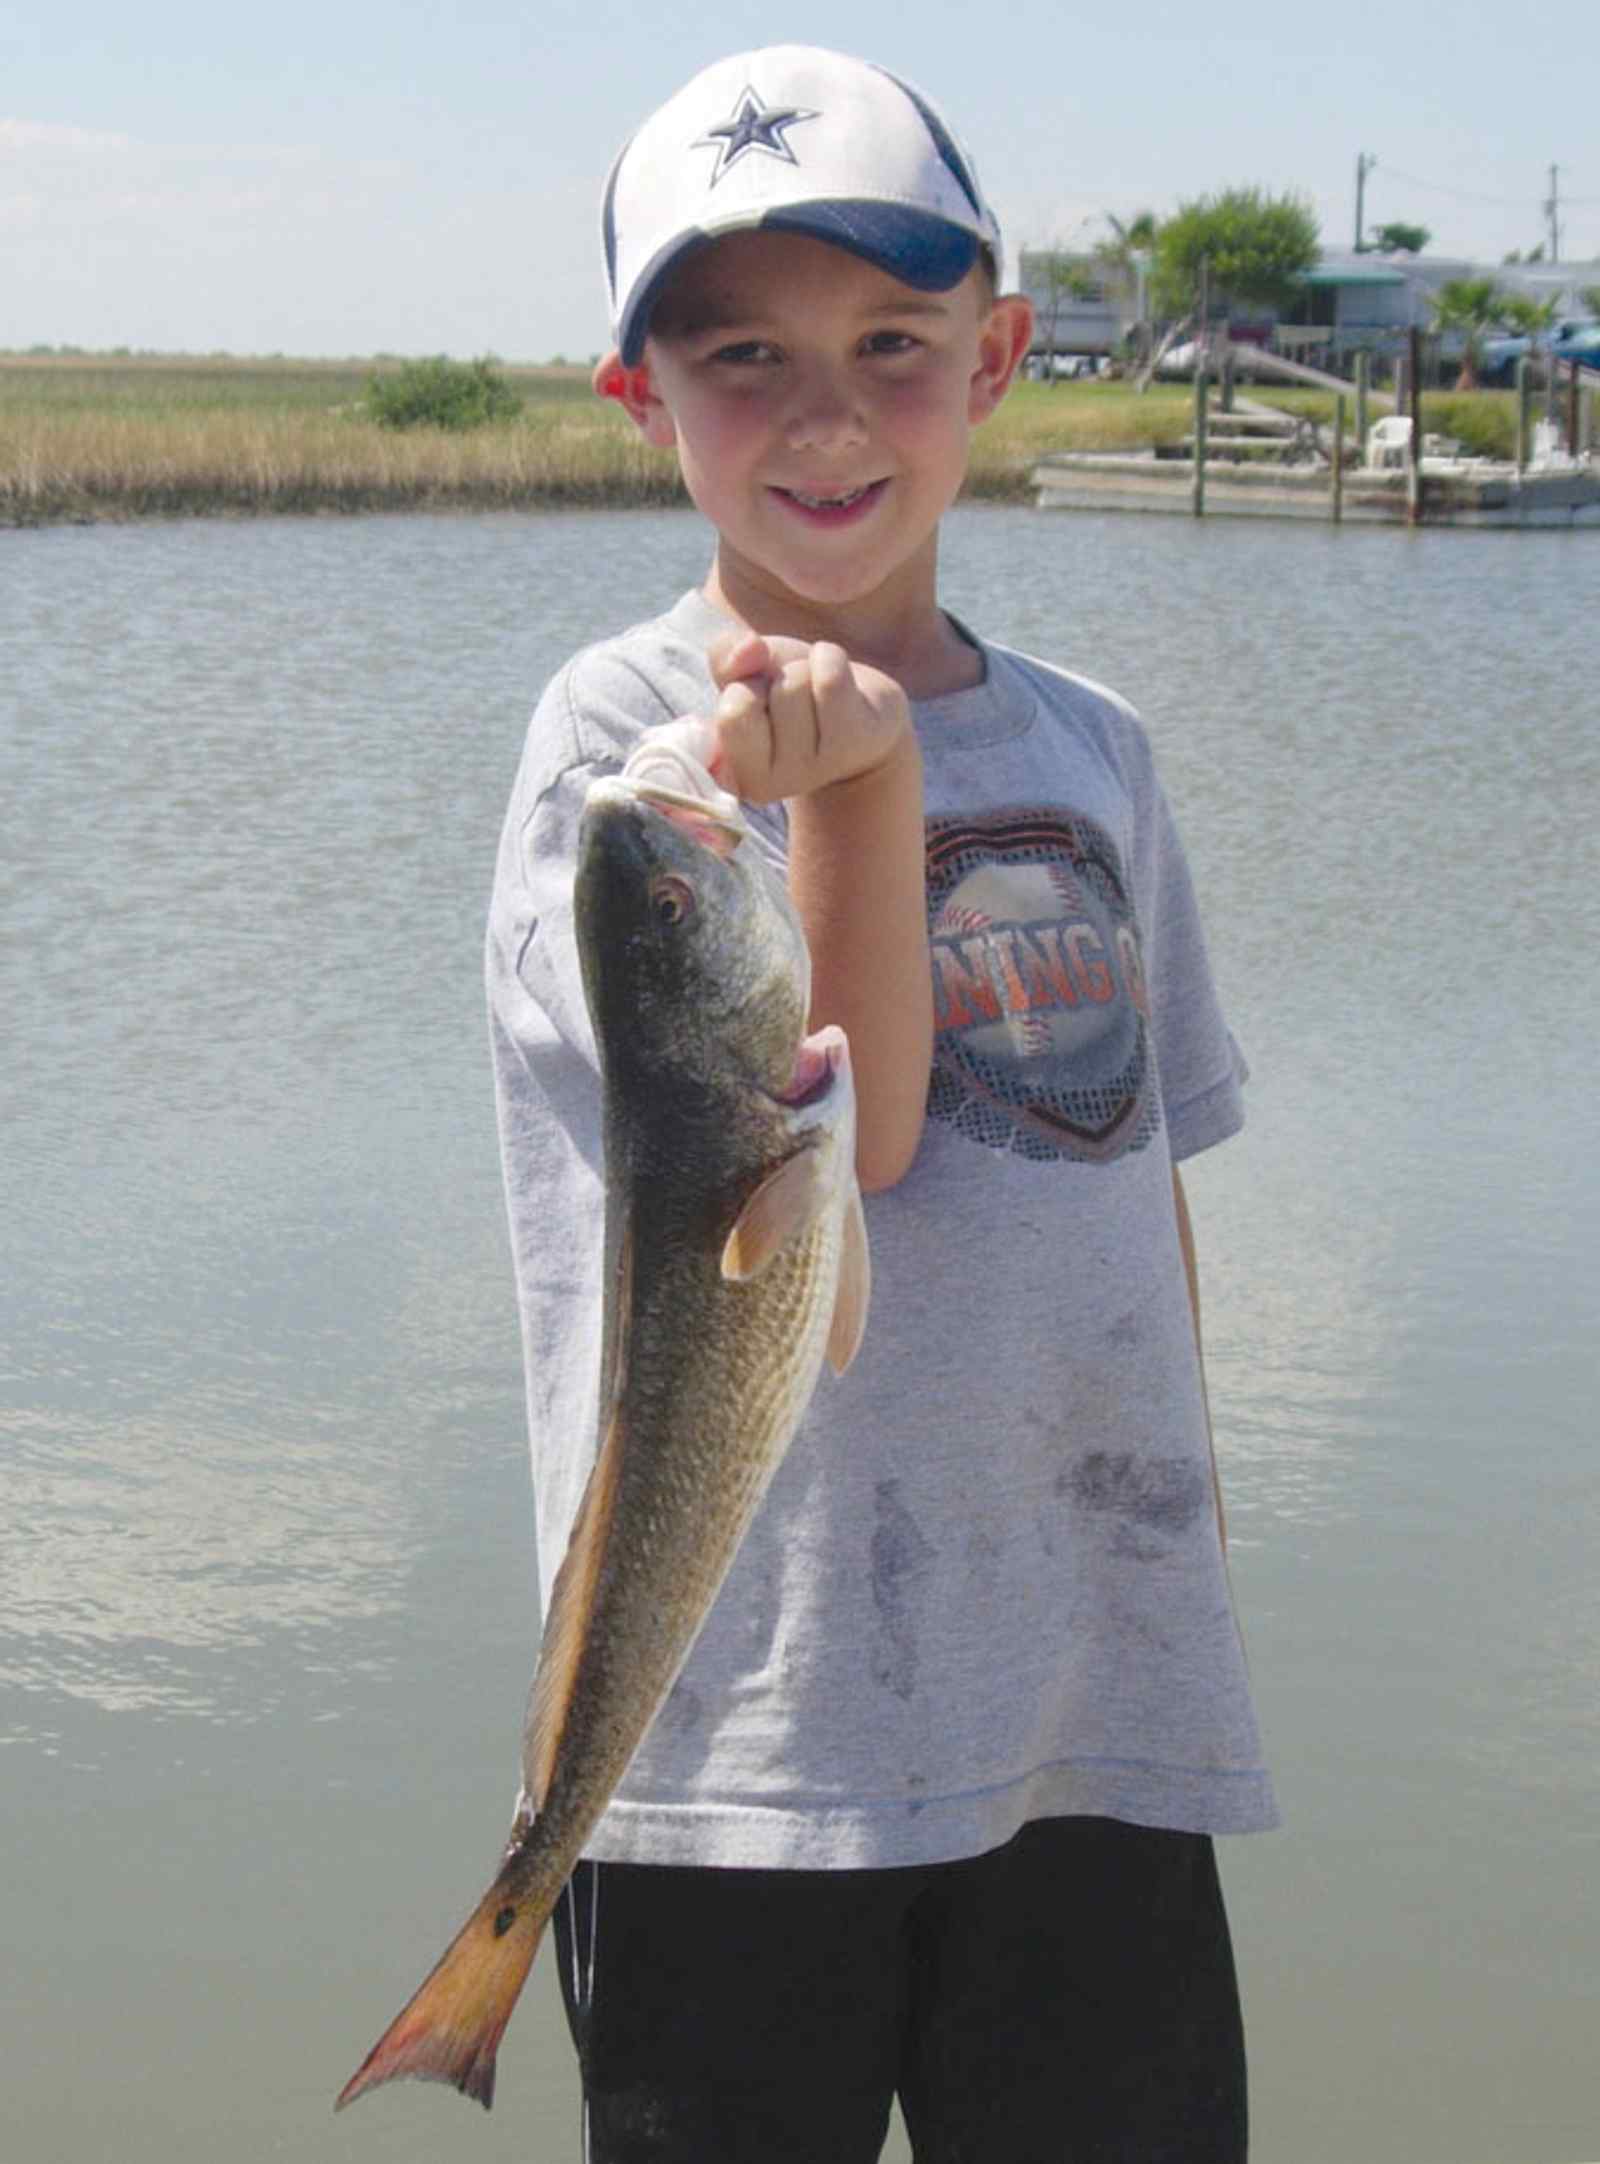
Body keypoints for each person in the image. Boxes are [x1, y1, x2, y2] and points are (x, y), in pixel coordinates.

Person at [487, 43, 1276, 2162]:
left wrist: (1186, 1569)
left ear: (996, 357)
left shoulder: (1099, 748)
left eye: (892, 345)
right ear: (639, 396)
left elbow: (1145, 1188)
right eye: (740, 354)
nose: (824, 414)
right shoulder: (627, 752)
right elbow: (860, 1136)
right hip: (741, 1743)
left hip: (1092, 1718)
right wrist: (851, 786)